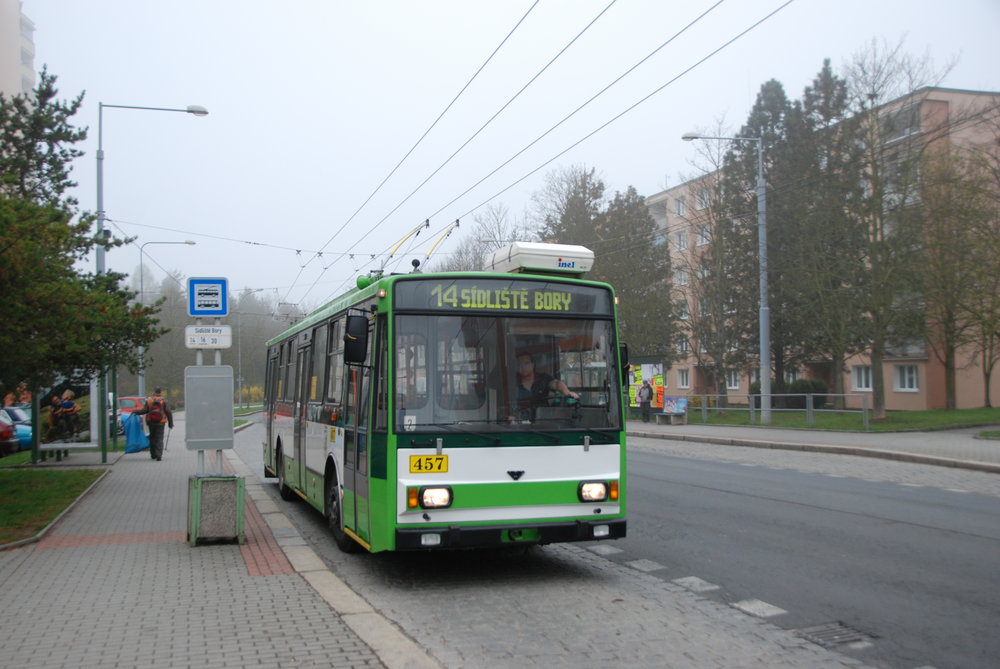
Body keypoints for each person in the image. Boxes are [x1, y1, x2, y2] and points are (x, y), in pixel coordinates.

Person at [514, 353, 579, 420]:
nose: (522, 366)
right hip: (521, 420)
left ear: (533, 364)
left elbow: (557, 384)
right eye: (519, 364)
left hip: (544, 420)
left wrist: (567, 393)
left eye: (526, 363)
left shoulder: (543, 378)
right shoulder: (513, 383)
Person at [135, 387, 173, 461]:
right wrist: (170, 423)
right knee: (159, 438)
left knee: (152, 438)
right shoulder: (164, 400)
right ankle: (159, 455)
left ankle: (153, 454)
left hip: (151, 422)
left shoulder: (149, 400)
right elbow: (168, 412)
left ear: (154, 392)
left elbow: (144, 410)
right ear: (161, 392)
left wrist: (135, 412)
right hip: (161, 422)